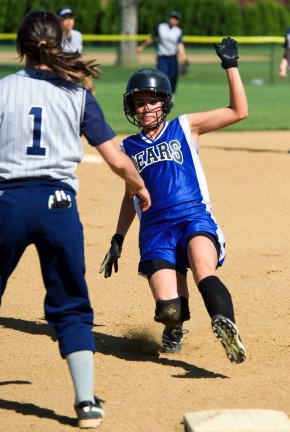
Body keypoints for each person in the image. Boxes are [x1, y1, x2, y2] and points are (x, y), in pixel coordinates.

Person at [0, 10, 150, 430]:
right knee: (70, 306)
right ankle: (86, 403)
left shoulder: (3, 89)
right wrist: (138, 186)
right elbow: (116, 158)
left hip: (7, 203)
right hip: (58, 206)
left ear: (20, 48)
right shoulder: (77, 94)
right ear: (60, 44)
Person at [100, 37, 248, 365]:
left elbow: (239, 111)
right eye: (139, 103)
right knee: (169, 310)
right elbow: (130, 197)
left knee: (202, 266)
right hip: (155, 231)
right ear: (130, 108)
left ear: (165, 102)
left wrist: (231, 66)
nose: (146, 108)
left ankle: (226, 327)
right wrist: (118, 238)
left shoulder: (185, 126)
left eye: (152, 101)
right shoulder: (128, 149)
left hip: (192, 217)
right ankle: (175, 328)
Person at [136, 10, 187, 99]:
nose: (174, 20)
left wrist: (183, 56)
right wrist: (142, 46)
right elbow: (152, 38)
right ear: (169, 18)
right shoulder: (161, 27)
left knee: (173, 78)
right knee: (162, 76)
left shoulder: (178, 31)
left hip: (172, 58)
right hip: (162, 58)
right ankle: (161, 96)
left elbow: (180, 44)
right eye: (172, 18)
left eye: (176, 19)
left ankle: (172, 97)